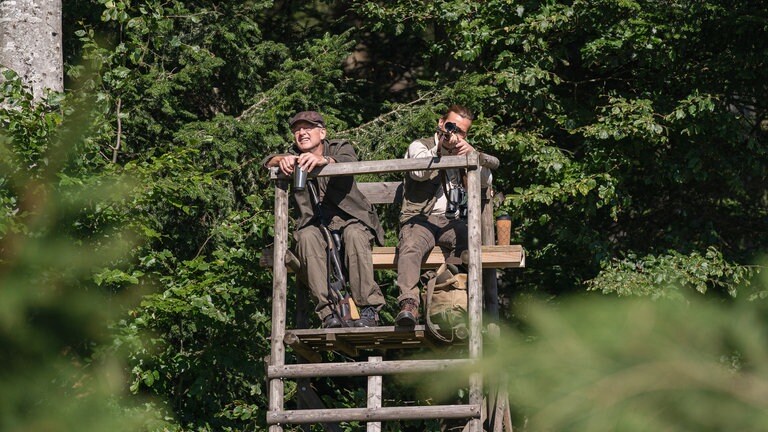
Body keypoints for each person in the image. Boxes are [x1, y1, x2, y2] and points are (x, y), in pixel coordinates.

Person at [263, 111, 385, 328]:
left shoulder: (339, 147)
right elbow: (267, 161)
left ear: (322, 132)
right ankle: (328, 313)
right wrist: (283, 160)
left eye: (307, 128)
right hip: (316, 227)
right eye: (297, 130)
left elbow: (350, 160)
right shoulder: (293, 155)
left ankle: (368, 309)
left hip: (351, 219)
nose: (302, 133)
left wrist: (324, 161)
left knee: (355, 235)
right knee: (306, 238)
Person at [394, 104, 490, 327]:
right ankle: (409, 304)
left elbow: (486, 182)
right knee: (410, 245)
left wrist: (472, 154)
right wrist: (440, 151)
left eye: (461, 131)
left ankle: (461, 304)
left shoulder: (465, 150)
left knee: (471, 244)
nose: (454, 134)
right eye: (451, 127)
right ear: (441, 124)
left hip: (452, 221)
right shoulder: (420, 146)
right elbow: (418, 172)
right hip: (420, 219)